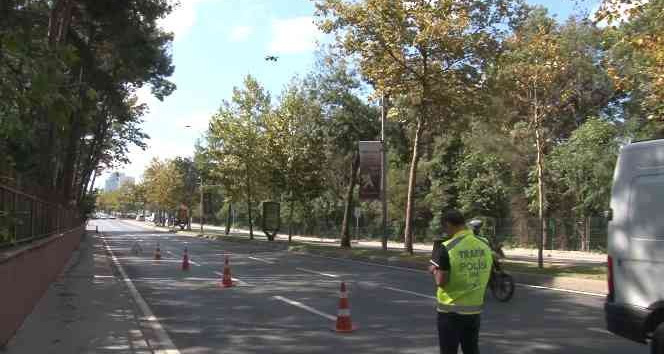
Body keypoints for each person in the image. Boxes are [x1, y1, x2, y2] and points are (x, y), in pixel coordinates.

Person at [429, 210, 493, 354]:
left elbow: (441, 281)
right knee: (471, 349)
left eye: (444, 228)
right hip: (474, 312)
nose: (445, 232)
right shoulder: (484, 243)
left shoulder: (447, 247)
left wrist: (433, 270)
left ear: (448, 224)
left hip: (451, 312)